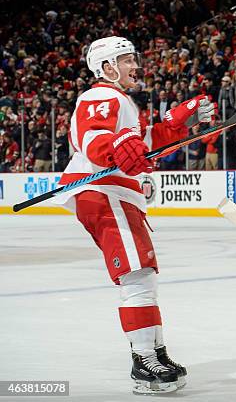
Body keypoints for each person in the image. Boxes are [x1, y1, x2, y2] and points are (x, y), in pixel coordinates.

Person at [52, 36, 214, 394]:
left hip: (117, 194)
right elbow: (92, 137)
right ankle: (144, 362)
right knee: (136, 275)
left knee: (144, 278)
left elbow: (142, 144)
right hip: (103, 191)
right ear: (107, 68)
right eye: (126, 61)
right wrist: (116, 148)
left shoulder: (123, 102)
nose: (134, 66)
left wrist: (177, 121)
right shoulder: (101, 95)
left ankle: (154, 350)